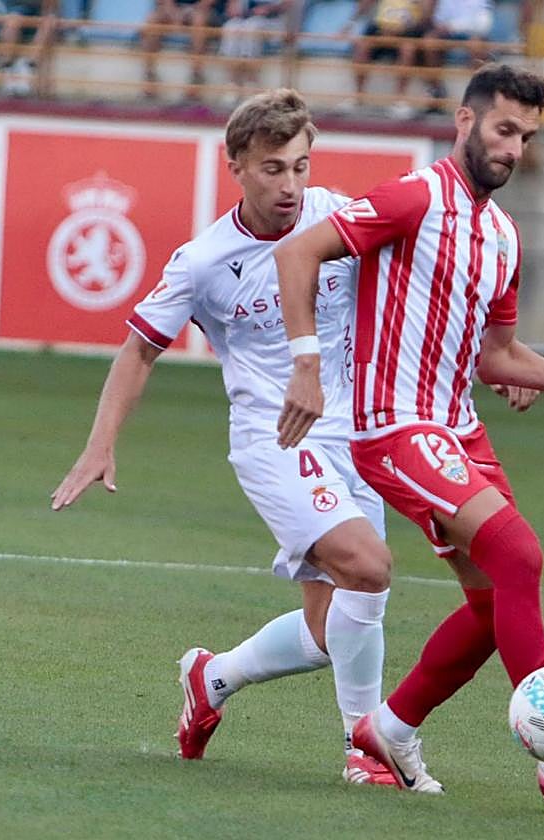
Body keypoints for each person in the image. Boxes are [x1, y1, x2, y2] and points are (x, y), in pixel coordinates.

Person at [273, 63, 544, 808]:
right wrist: (307, 366)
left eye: (527, 137)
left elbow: (499, 356)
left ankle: (388, 728)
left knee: (496, 607)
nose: (514, 148)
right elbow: (297, 252)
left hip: (459, 431)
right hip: (394, 428)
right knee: (518, 553)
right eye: (503, 130)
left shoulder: (502, 236)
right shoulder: (412, 198)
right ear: (465, 122)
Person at [50, 89, 398, 786]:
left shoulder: (339, 217)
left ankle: (213, 677)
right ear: (235, 163)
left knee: (335, 631)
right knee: (369, 565)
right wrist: (99, 444)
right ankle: (368, 750)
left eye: (301, 166)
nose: (291, 185)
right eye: (273, 168)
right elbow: (139, 349)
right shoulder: (205, 260)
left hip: (358, 434)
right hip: (276, 440)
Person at [339, 0, 432, 119]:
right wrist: (350, 23)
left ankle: (399, 101)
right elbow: (366, 4)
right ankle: (358, 97)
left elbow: (427, 16)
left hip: (408, 31)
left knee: (408, 50)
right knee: (362, 46)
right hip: (381, 29)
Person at [421, 0, 493, 108]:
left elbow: (483, 24)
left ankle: (479, 92)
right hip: (447, 33)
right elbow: (439, 19)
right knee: (430, 42)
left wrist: (453, 27)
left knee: (476, 45)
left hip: (471, 33)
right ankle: (437, 90)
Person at [140, 0, 218, 99]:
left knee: (199, 20)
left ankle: (196, 76)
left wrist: (191, 10)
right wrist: (173, 12)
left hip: (199, 10)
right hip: (172, 9)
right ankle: (149, 75)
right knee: (151, 20)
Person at [217, 0, 290, 97]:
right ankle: (232, 83)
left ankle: (251, 82)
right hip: (246, 18)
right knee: (230, 26)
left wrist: (268, 9)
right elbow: (233, 6)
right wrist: (234, 7)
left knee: (252, 27)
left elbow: (289, 4)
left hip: (273, 21)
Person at [0, 1, 58, 96]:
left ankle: (28, 69)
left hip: (40, 11)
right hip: (16, 8)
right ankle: (8, 69)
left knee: (49, 22)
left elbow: (51, 6)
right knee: (12, 21)